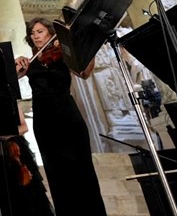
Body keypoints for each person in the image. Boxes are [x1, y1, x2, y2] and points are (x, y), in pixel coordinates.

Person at [14, 17, 107, 216]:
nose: (35, 36)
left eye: (39, 31)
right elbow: (10, 80)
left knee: (82, 170)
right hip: (44, 119)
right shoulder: (29, 60)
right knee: (55, 172)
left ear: (50, 32)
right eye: (32, 33)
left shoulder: (63, 53)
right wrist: (15, 65)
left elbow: (84, 73)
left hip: (67, 115)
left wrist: (82, 49)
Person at [0, 105, 54, 216]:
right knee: (3, 191)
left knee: (28, 191)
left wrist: (6, 134)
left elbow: (24, 127)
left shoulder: (10, 99)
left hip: (16, 147)